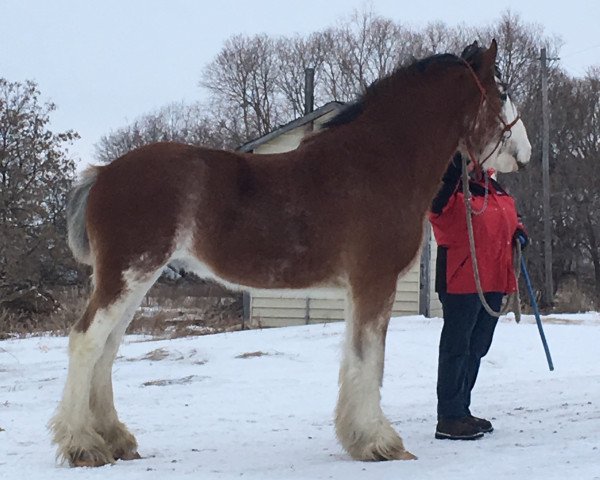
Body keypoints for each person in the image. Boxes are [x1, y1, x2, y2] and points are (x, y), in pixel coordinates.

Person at [429, 152, 527, 440]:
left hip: (494, 278)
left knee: (477, 347)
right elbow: (436, 210)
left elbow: (508, 216)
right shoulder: (448, 189)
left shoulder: (492, 187)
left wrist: (519, 233)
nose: (476, 163)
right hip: (461, 278)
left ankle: (462, 409)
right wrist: (453, 168)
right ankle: (448, 416)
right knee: (456, 347)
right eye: (470, 160)